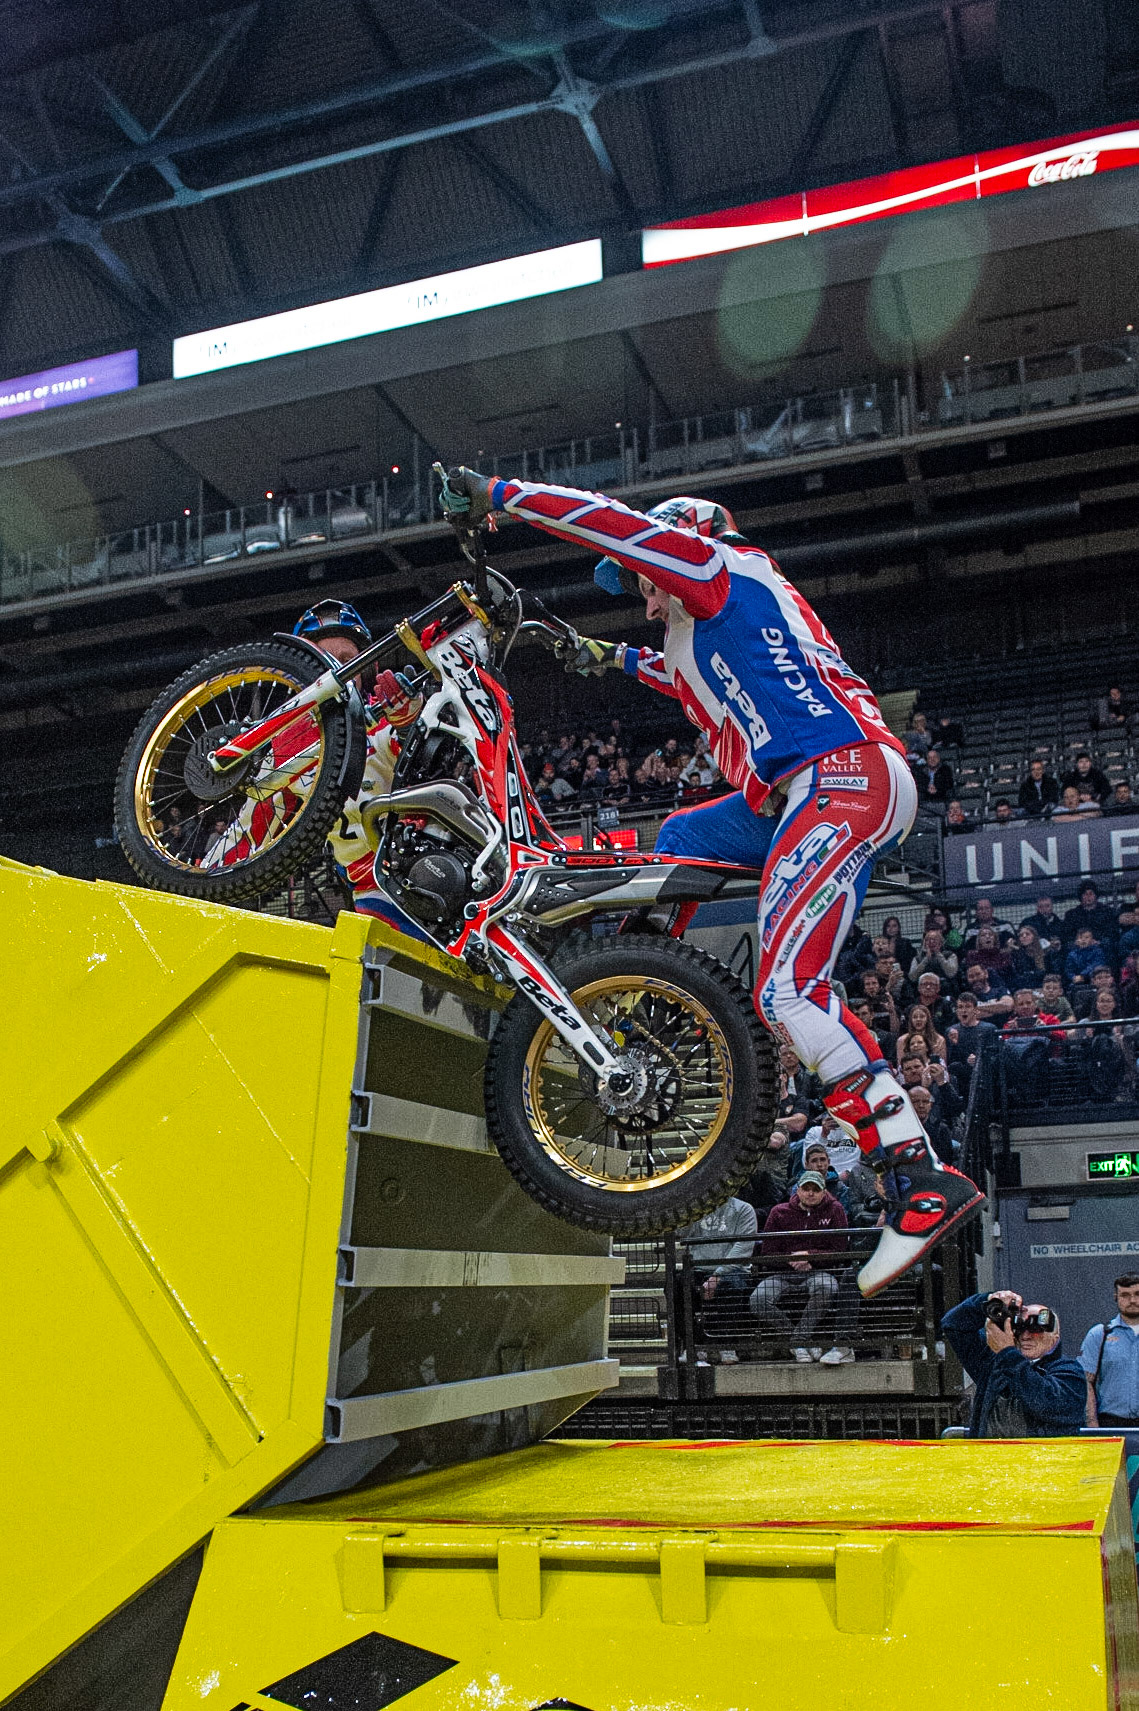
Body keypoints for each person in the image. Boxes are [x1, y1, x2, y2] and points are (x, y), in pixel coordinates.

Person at [429, 466, 982, 1297]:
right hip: (801, 788)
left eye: (644, 587)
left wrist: (500, 494)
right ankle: (638, 983)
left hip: (841, 777)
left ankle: (915, 1173)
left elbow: (611, 525)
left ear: (681, 545)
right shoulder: (717, 623)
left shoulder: (716, 568)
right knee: (684, 831)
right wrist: (596, 654)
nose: (645, 601)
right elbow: (682, 676)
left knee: (789, 994)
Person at [941, 1291, 1086, 1437]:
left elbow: (1045, 1403)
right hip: (993, 1457)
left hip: (1042, 1458)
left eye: (1036, 1329)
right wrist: (989, 1300)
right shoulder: (993, 1363)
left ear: (1054, 1339)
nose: (1026, 1336)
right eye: (1020, 1328)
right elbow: (953, 1324)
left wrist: (1007, 1352)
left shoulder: (1070, 1372)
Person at [751, 1171, 851, 1361]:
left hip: (820, 1271)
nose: (810, 1193)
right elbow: (767, 1252)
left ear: (823, 1192)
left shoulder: (835, 1209)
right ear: (798, 1190)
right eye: (806, 1189)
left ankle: (798, 1341)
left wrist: (810, 1257)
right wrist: (791, 1259)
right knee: (758, 1299)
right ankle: (800, 1341)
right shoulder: (778, 1211)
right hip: (782, 1273)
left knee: (826, 1287)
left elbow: (840, 1249)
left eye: (815, 1189)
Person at [673, 1196, 758, 1361]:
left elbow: (742, 1247)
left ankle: (727, 1344)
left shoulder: (744, 1208)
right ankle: (693, 1345)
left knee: (732, 1287)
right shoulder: (695, 1207)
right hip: (698, 1267)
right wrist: (689, 1211)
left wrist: (717, 1275)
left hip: (733, 1268)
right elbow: (679, 1233)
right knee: (676, 1287)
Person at [1080, 1274, 1139, 1428]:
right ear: (1115, 1297)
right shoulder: (1100, 1335)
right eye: (1125, 1295)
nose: (1132, 1300)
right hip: (1111, 1423)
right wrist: (1092, 1424)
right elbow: (1086, 1382)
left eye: (1138, 1294)